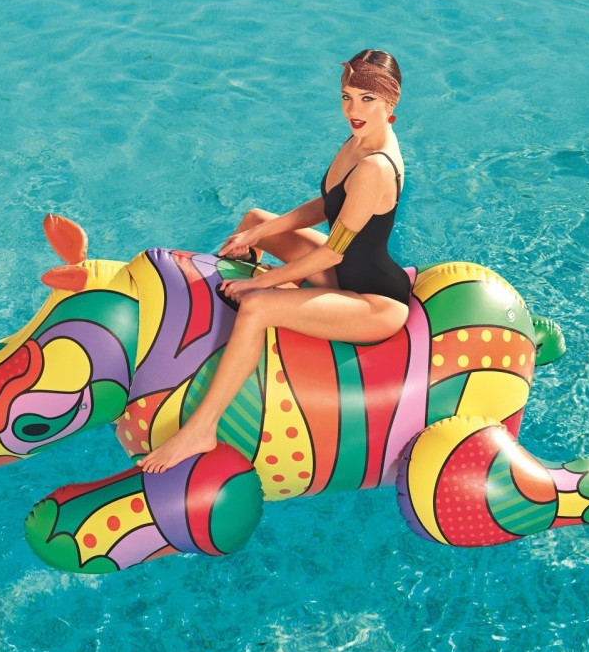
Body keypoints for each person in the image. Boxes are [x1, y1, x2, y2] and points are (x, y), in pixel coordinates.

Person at [139, 49, 411, 474]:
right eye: (346, 97)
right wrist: (258, 234)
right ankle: (220, 325)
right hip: (342, 274)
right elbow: (329, 204)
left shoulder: (376, 165)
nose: (353, 110)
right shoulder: (359, 140)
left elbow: (333, 250)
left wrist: (262, 283)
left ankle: (200, 429)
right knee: (254, 219)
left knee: (257, 305)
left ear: (390, 101)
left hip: (374, 302)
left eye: (367, 99)